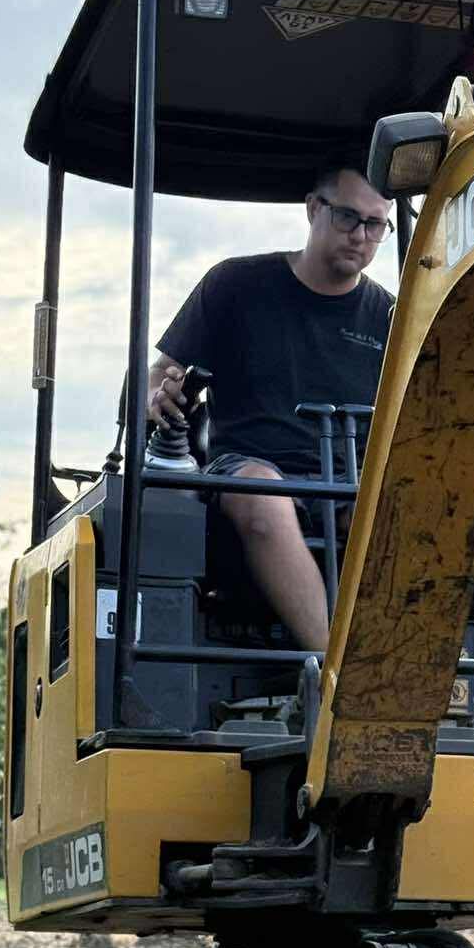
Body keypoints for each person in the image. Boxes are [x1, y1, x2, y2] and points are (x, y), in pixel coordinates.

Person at [147, 167, 395, 652]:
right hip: (244, 471)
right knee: (262, 492)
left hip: (347, 484)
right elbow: (161, 372)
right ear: (313, 208)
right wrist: (160, 394)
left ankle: (410, 657)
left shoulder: (391, 318)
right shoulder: (235, 286)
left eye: (375, 225)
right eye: (348, 217)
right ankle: (339, 675)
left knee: (404, 506)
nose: (361, 236)